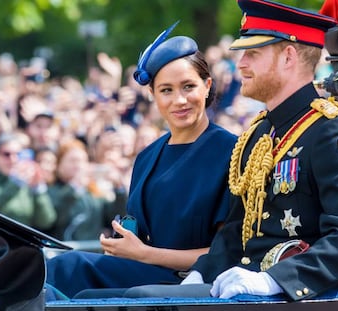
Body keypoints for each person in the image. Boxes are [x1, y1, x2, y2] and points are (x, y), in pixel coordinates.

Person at [120, 0, 338, 302]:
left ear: (288, 57)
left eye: (253, 54)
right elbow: (236, 230)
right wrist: (201, 274)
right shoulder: (259, 134)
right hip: (246, 286)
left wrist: (274, 280)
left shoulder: (334, 132)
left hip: (305, 293)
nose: (241, 63)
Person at [45, 21, 237, 299]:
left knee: (71, 272)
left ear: (207, 86)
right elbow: (138, 233)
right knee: (55, 271)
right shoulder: (148, 156)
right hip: (147, 270)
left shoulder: (230, 150)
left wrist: (145, 253)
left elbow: (225, 253)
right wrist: (122, 244)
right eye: (166, 90)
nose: (179, 100)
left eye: (188, 87)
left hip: (193, 281)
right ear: (153, 95)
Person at [0, 132, 57, 231]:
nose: (13, 159)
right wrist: (14, 185)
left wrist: (38, 191)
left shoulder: (26, 183)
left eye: (18, 154)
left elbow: (46, 222)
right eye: (6, 154)